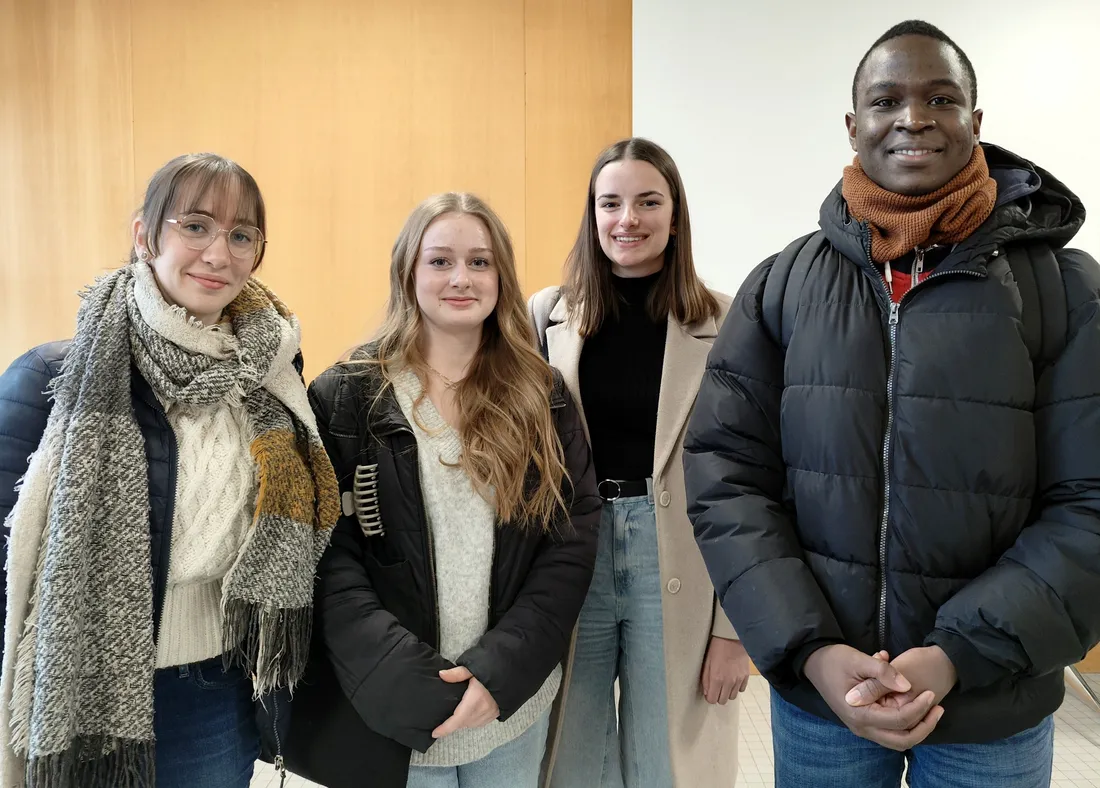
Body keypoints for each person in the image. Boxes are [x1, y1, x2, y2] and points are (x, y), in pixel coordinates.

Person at [684, 20, 1100, 788]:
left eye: (941, 98)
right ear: (853, 126)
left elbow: (1090, 502)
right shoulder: (783, 285)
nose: (913, 117)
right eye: (887, 100)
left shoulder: (1066, 290)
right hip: (825, 702)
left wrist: (955, 655)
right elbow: (725, 474)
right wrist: (811, 651)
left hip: (992, 701)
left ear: (976, 122)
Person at [0, 152, 340, 787]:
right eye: (195, 225)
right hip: (83, 687)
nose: (218, 253)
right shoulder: (52, 376)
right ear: (144, 235)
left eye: (241, 235)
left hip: (213, 687)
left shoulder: (273, 374)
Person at [287, 192, 600, 788]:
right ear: (409, 271)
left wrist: (499, 672)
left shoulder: (543, 395)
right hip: (391, 713)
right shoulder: (348, 395)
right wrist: (406, 683)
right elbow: (325, 553)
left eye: (480, 262)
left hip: (509, 708)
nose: (462, 278)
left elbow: (572, 540)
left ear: (502, 277)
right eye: (440, 261)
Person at [529, 137, 743, 788]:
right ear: (592, 216)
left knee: (666, 761)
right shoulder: (547, 314)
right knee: (572, 755)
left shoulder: (725, 320)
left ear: (675, 215)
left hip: (679, 554)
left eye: (648, 202)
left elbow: (752, 478)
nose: (629, 219)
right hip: (576, 549)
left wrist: (733, 632)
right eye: (611, 203)